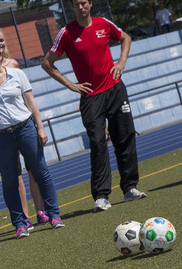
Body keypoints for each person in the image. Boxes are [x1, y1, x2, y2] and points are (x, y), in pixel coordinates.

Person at [42, 0, 147, 212]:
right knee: (98, 143)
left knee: (125, 137)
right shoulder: (67, 32)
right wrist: (71, 85)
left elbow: (125, 38)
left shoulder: (103, 23)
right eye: (76, 5)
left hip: (116, 90)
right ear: (72, 8)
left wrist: (121, 63)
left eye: (84, 3)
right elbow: (47, 63)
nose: (80, 7)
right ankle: (101, 196)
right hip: (90, 96)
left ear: (90, 4)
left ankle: (130, 188)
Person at [0, 42, 65, 238]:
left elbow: (30, 102)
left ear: (0, 55)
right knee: (9, 181)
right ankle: (19, 223)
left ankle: (54, 215)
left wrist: (40, 127)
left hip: (25, 128)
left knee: (41, 171)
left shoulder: (18, 74)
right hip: (1, 137)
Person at [0, 27, 50, 227]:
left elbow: (27, 99)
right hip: (3, 131)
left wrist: (36, 124)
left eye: (1, 40)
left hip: (23, 125)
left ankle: (41, 211)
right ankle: (24, 217)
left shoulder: (15, 65)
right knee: (14, 175)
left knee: (34, 170)